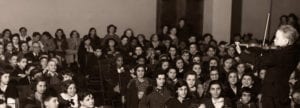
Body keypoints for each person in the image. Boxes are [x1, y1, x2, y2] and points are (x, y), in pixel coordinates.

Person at [237, 25, 300, 108]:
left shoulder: (280, 55)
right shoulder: (293, 51)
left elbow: (259, 61)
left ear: (286, 41)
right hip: (282, 90)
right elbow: (270, 52)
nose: (274, 40)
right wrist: (256, 48)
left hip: (273, 94)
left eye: (277, 38)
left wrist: (241, 53)